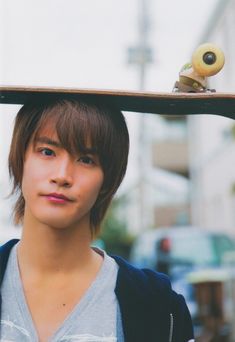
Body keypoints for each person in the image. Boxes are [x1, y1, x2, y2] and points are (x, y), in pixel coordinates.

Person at [0, 96, 194, 342]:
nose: (62, 176)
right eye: (47, 152)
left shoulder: (157, 304)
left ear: (107, 180)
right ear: (20, 160)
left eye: (86, 160)